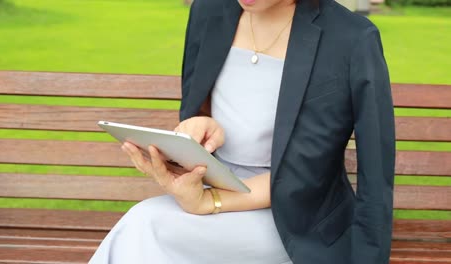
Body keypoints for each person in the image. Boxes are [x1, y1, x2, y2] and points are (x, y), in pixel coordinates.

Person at [89, 0, 395, 263]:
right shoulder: (208, 12)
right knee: (141, 227)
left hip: (298, 221)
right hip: (211, 190)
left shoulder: (350, 37)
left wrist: (210, 203)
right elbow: (198, 108)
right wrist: (198, 128)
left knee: (145, 226)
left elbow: (359, 173)